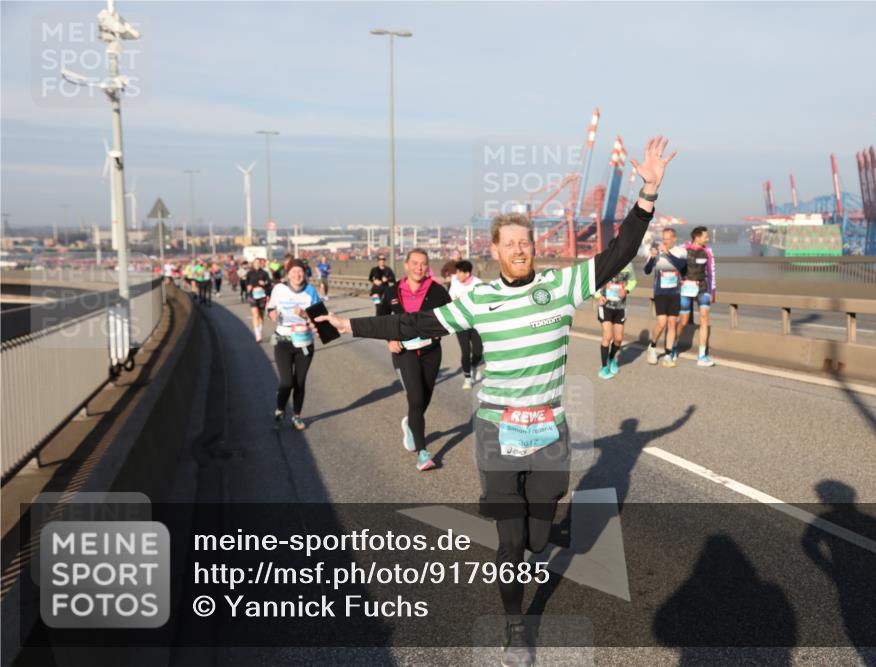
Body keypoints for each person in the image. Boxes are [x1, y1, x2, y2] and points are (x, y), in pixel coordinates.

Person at [315, 135, 674, 666]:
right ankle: (515, 627)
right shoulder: (478, 299)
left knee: (538, 538)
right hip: (496, 430)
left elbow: (620, 252)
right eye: (510, 244)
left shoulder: (562, 286)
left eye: (525, 242)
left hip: (548, 429)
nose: (520, 250)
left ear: (533, 247)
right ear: (495, 251)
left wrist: (647, 193)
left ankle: (535, 535)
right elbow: (415, 324)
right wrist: (350, 325)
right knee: (511, 544)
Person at [377, 248, 452, 471]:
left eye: (423, 264)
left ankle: (411, 422)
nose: (419, 268)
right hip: (404, 352)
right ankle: (422, 452)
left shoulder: (437, 291)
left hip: (431, 352)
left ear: (428, 266)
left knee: (424, 398)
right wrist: (390, 339)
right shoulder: (393, 291)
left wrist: (440, 330)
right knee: (416, 398)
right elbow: (381, 318)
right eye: (415, 263)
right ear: (406, 265)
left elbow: (450, 317)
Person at [267, 259, 322, 431]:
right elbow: (270, 308)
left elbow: (320, 316)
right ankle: (280, 410)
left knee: (299, 382)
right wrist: (272, 314)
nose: (297, 275)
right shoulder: (279, 289)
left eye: (300, 272)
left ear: (304, 273)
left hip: (304, 342)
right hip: (283, 341)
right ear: (288, 274)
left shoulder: (311, 291)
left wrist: (305, 314)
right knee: (286, 382)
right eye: (293, 272)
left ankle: (297, 416)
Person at [643, 227, 687, 366]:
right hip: (660, 293)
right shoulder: (656, 251)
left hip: (675, 293)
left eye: (668, 239)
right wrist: (652, 257)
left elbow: (682, 266)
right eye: (663, 239)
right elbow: (647, 270)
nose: (665, 241)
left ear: (674, 239)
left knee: (672, 323)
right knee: (662, 323)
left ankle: (668, 355)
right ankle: (652, 346)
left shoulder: (681, 251)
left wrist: (667, 253)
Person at [677, 225, 716, 367]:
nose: (708, 239)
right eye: (705, 236)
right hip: (686, 288)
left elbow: (711, 272)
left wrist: (712, 291)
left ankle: (702, 356)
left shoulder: (708, 251)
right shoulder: (682, 249)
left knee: (704, 318)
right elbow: (675, 268)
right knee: (683, 321)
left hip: (702, 287)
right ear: (697, 237)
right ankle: (673, 346)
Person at [595, 260, 636, 379]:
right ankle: (603, 368)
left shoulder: (628, 264)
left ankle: (611, 358)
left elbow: (633, 281)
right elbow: (595, 281)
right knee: (608, 336)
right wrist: (598, 296)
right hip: (606, 306)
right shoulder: (605, 261)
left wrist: (626, 290)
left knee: (618, 339)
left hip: (620, 307)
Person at [449, 260, 483, 389]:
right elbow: (451, 303)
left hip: (475, 323)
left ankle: (473, 367)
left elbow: (483, 302)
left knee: (478, 351)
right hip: (461, 323)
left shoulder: (478, 284)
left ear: (467, 273)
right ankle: (467, 378)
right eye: (456, 272)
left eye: (459, 272)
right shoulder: (455, 286)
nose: (457, 275)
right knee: (465, 351)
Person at [246, 257, 272, 343]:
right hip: (252, 295)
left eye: (258, 262)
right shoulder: (250, 273)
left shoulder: (264, 273)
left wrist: (264, 283)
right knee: (255, 314)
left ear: (261, 264)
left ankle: (259, 331)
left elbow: (269, 283)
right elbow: (246, 283)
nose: (257, 264)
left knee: (261, 315)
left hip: (262, 296)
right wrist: (248, 287)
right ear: (253, 264)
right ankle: (257, 335)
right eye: (255, 262)